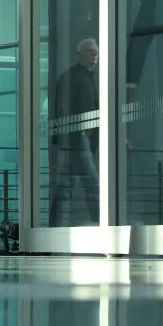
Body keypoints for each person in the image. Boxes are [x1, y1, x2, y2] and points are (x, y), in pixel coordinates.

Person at [49, 37, 100, 226]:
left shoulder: (89, 77)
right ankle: (100, 224)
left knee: (66, 187)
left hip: (81, 139)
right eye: (90, 51)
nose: (94, 54)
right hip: (77, 139)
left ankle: (55, 225)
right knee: (93, 185)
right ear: (79, 55)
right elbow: (61, 109)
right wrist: (64, 138)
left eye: (96, 51)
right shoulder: (72, 77)